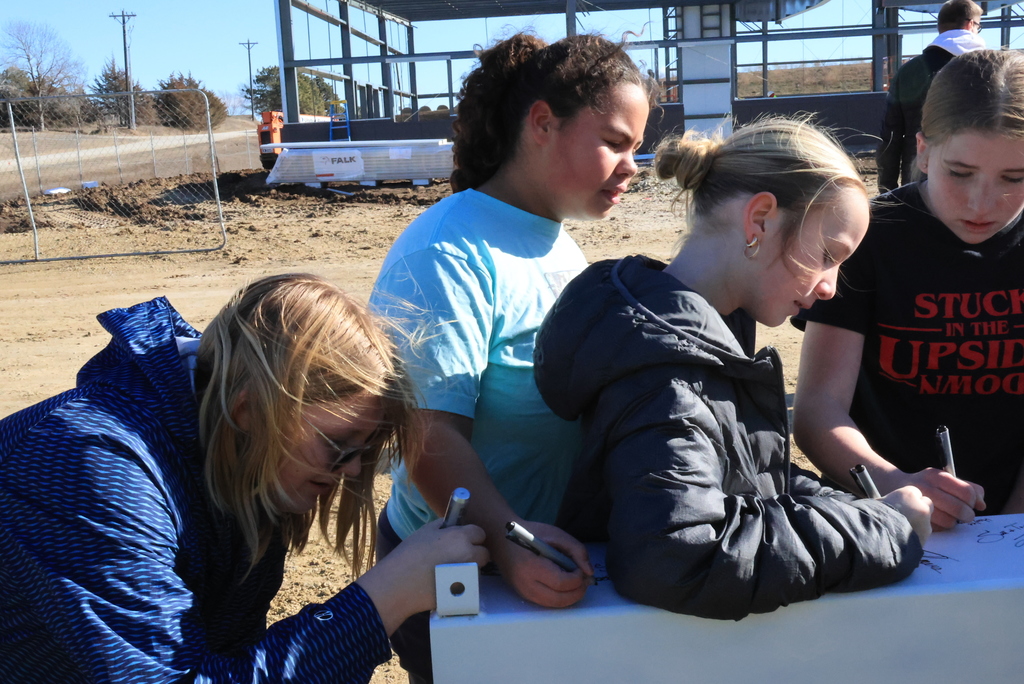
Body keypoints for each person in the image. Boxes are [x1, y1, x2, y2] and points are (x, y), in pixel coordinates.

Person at [533, 118, 933, 620]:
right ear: (760, 219)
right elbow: (681, 556)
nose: (831, 286)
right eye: (827, 255)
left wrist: (863, 508)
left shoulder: (703, 337)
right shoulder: (668, 379)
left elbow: (751, 476)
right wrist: (884, 530)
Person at [0, 273, 489, 684]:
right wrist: (383, 599)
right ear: (250, 411)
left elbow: (230, 649)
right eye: (339, 445)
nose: (354, 470)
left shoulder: (233, 448)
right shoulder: (94, 467)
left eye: (365, 450)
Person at [369, 32, 655, 680]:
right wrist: (509, 539)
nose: (633, 166)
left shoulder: (555, 242)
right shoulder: (447, 252)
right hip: (467, 576)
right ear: (543, 124)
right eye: (615, 142)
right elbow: (427, 434)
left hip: (535, 558)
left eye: (636, 147)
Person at [794, 49, 1024, 531]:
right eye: (959, 173)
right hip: (884, 518)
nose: (982, 203)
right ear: (922, 150)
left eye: (1014, 178)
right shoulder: (868, 236)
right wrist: (894, 485)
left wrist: (1008, 525)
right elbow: (817, 411)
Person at [876, 0, 985, 192]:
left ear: (940, 27)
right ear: (970, 25)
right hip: (979, 182)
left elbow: (891, 136)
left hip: (920, 181)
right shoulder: (992, 70)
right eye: (979, 26)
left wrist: (888, 190)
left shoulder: (909, 71)